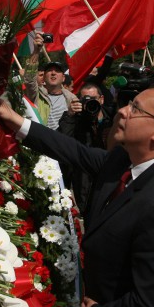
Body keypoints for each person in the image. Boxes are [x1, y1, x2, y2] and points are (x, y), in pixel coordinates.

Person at [0, 86, 154, 307]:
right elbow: (75, 151)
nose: (123, 111)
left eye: (136, 109)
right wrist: (17, 121)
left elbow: (151, 304)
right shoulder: (124, 161)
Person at [58, 82, 115, 214]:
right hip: (83, 177)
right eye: (85, 100)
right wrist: (70, 115)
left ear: (101, 99)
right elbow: (62, 140)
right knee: (86, 211)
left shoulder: (113, 117)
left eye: (93, 99)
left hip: (108, 172)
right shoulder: (74, 118)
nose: (90, 103)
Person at [23, 32, 77, 130]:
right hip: (43, 141)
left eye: (57, 71)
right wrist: (36, 51)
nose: (53, 73)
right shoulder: (36, 95)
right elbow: (29, 79)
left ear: (63, 78)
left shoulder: (72, 98)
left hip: (63, 142)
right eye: (49, 70)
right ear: (43, 77)